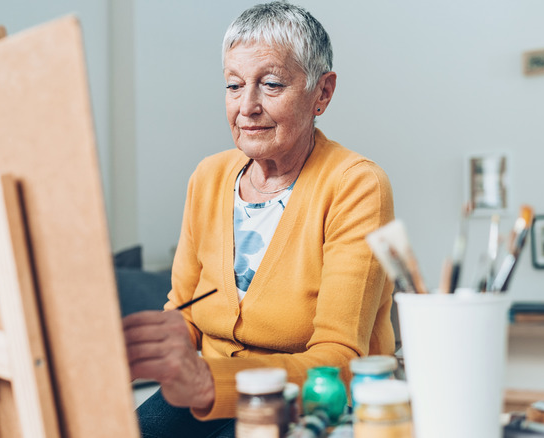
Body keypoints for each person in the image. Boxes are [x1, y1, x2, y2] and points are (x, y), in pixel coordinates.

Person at [122, 2, 395, 437]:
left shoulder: (356, 184)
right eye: (233, 85)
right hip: (200, 390)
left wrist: (209, 381)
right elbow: (186, 310)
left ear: (322, 93)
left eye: (270, 84)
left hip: (304, 398)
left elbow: (341, 360)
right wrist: (157, 343)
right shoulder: (208, 177)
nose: (246, 106)